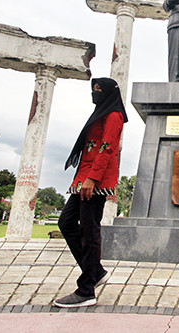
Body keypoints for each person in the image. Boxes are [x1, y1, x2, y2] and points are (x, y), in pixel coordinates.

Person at [54, 77, 127, 308]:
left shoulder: (114, 115)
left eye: (98, 89)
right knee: (66, 222)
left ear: (108, 92)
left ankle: (86, 290)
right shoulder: (100, 113)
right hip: (83, 177)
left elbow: (107, 148)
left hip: (96, 179)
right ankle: (95, 271)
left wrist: (93, 178)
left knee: (89, 230)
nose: (94, 92)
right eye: (93, 89)